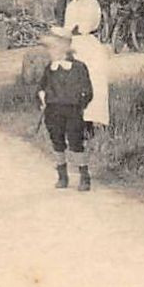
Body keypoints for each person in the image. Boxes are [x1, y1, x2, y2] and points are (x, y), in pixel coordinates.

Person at [37, 29, 94, 191]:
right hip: (53, 111)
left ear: (66, 48)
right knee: (57, 141)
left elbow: (88, 90)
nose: (51, 52)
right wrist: (41, 96)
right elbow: (41, 87)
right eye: (49, 49)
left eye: (54, 48)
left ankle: (84, 175)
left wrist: (79, 103)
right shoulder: (50, 69)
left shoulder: (78, 68)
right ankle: (62, 174)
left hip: (73, 111)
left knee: (76, 142)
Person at [58, 0, 110, 130]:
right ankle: (79, 122)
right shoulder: (72, 5)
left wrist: (72, 31)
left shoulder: (91, 3)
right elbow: (68, 27)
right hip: (74, 45)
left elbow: (85, 27)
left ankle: (96, 122)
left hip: (89, 46)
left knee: (94, 82)